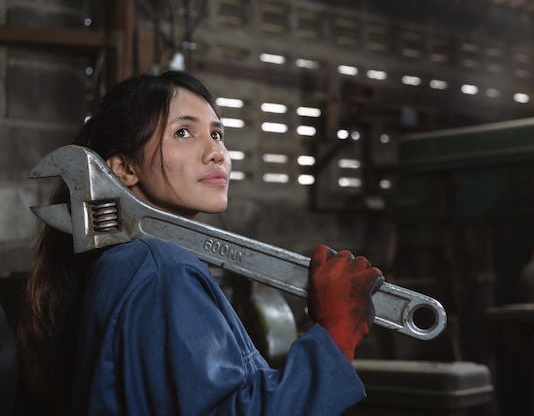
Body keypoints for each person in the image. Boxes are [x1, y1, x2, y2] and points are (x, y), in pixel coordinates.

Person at [16, 70, 384, 415]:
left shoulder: (130, 261)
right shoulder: (161, 269)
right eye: (183, 133)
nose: (216, 153)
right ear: (124, 169)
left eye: (218, 134)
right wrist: (335, 334)